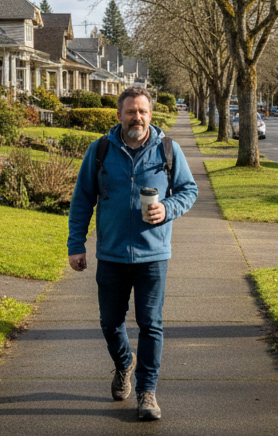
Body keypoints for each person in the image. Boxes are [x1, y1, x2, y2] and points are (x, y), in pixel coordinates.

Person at [67, 86, 198, 421]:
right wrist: (76, 245)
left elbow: (188, 190)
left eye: (142, 111)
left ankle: (146, 392)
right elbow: (83, 200)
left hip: (153, 256)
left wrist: (167, 209)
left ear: (150, 114)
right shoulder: (100, 151)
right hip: (110, 255)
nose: (136, 117)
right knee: (110, 323)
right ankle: (124, 362)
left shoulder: (168, 150)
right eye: (130, 112)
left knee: (151, 324)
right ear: (119, 115)